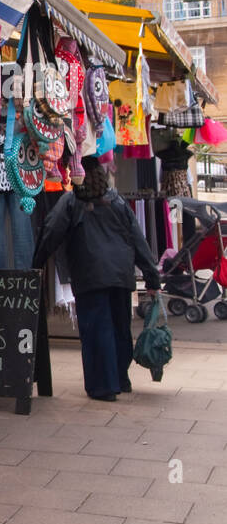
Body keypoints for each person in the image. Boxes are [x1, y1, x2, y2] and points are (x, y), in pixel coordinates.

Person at [32, 155, 162, 402]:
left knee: (96, 331)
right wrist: (152, 277)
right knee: (119, 328)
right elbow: (138, 240)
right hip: (121, 274)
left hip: (90, 274)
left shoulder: (71, 201)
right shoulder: (117, 201)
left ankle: (104, 386)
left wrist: (35, 265)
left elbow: (50, 232)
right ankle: (121, 379)